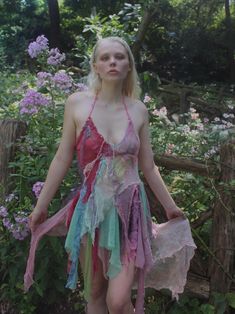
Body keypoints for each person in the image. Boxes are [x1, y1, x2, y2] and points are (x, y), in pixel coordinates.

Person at [25, 36, 196, 314]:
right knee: (94, 293)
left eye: (119, 56)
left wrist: (170, 206)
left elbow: (148, 166)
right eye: (105, 57)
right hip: (92, 212)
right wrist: (41, 206)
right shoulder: (77, 104)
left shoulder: (138, 110)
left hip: (129, 215)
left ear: (129, 65)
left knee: (117, 302)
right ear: (95, 66)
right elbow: (62, 157)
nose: (112, 61)